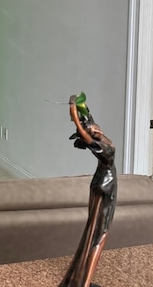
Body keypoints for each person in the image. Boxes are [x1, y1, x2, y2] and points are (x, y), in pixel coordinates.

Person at [59, 93, 117, 287]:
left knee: (95, 230)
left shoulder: (99, 136)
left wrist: (79, 106)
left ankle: (82, 277)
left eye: (94, 127)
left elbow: (88, 122)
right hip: (106, 186)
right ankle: (84, 281)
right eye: (92, 131)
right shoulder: (103, 147)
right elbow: (85, 133)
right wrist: (73, 113)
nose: (94, 128)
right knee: (99, 234)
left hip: (99, 183)